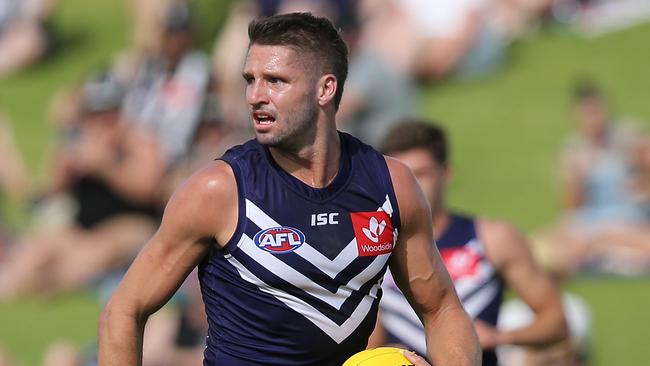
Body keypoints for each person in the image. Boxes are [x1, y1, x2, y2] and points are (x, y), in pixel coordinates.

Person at [99, 12, 480, 366]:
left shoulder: (391, 186)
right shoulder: (219, 190)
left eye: (275, 81)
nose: (255, 96)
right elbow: (124, 309)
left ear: (325, 89)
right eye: (250, 80)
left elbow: (443, 309)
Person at [371, 120, 568, 365]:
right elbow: (368, 336)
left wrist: (498, 336)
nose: (411, 187)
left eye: (420, 174)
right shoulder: (375, 245)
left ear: (446, 173)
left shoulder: (492, 238)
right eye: (400, 178)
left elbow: (557, 321)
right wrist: (381, 353)